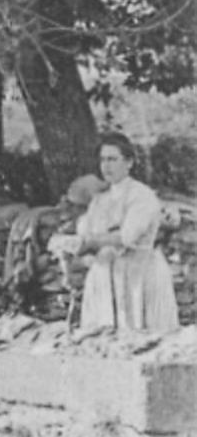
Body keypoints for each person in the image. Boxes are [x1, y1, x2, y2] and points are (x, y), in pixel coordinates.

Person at [73, 133, 179, 336]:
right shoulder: (100, 200)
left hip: (139, 273)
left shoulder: (142, 196)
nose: (106, 166)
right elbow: (87, 231)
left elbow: (126, 237)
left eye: (113, 159)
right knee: (102, 338)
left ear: (129, 162)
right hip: (106, 274)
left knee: (143, 336)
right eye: (103, 160)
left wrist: (91, 241)